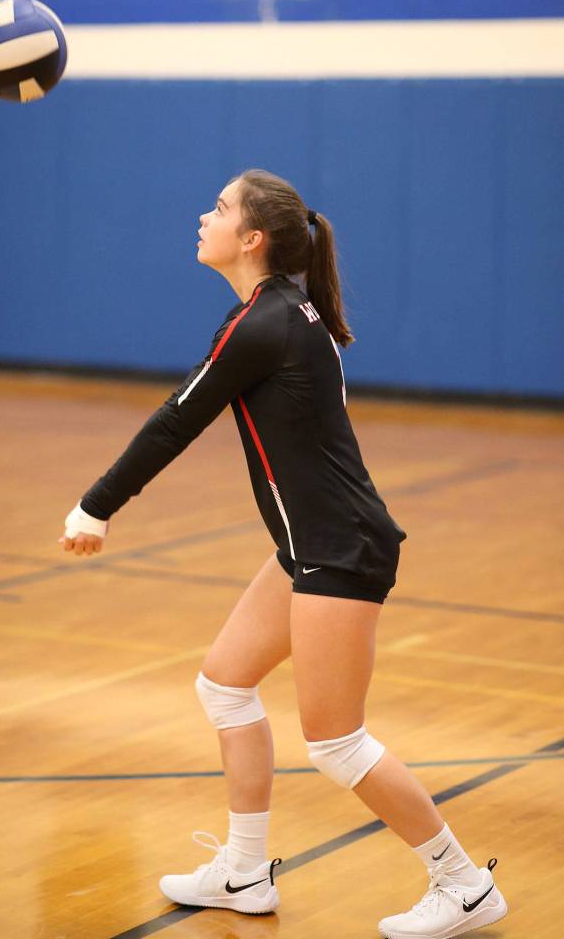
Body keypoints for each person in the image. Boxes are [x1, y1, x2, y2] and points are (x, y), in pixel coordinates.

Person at [59, 169, 507, 938]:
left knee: (336, 741)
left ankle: (461, 884)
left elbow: (176, 420)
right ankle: (242, 870)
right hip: (310, 545)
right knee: (225, 685)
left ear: (252, 238)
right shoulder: (281, 313)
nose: (204, 216)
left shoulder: (263, 323)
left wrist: (94, 506)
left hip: (337, 550)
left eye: (220, 208)